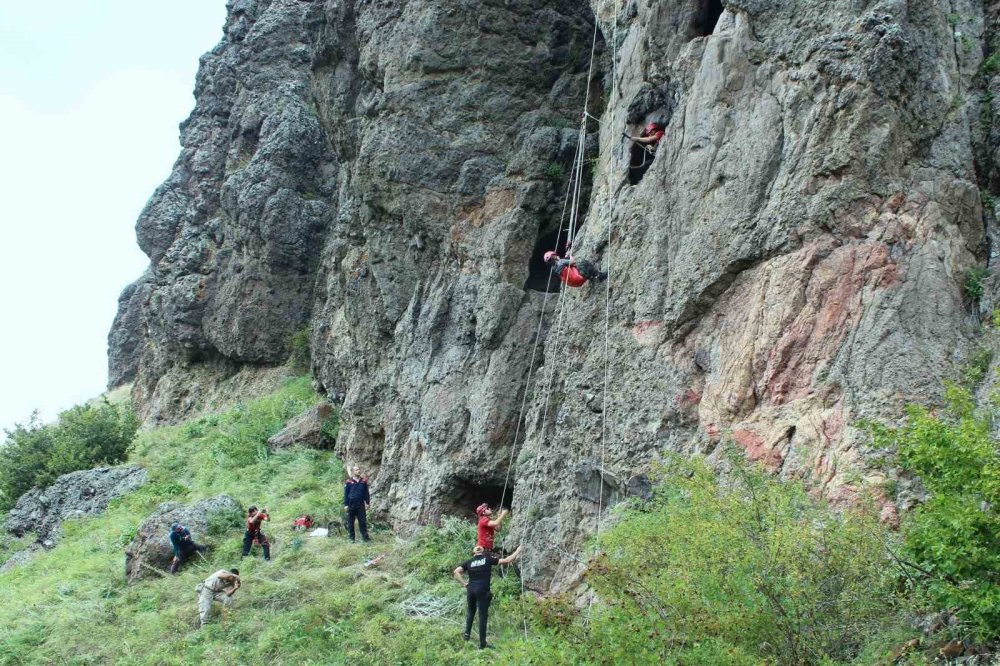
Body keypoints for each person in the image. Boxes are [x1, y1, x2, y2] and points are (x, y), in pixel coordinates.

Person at [453, 544, 524, 650]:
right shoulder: (487, 559)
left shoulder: (469, 562)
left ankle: (466, 636)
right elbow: (507, 560)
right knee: (482, 616)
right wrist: (518, 551)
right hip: (482, 590)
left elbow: (456, 572)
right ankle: (482, 644)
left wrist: (465, 584)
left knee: (471, 612)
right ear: (483, 552)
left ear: (474, 553)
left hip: (471, 590)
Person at [543, 251, 607, 288]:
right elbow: (573, 261)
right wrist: (570, 255)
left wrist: (565, 258)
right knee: (584, 263)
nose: (557, 256)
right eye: (555, 255)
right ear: (554, 257)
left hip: (577, 284)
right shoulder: (561, 262)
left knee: (579, 268)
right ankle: (600, 276)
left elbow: (567, 268)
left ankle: (591, 277)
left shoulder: (555, 270)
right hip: (579, 277)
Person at [343, 466, 371, 542]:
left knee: (362, 522)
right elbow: (346, 494)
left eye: (359, 469)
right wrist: (346, 505)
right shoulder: (349, 482)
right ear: (353, 472)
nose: (359, 471)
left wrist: (367, 503)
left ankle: (366, 539)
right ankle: (352, 539)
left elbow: (366, 493)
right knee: (350, 523)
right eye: (356, 470)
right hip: (351, 504)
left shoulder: (363, 481)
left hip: (360, 505)